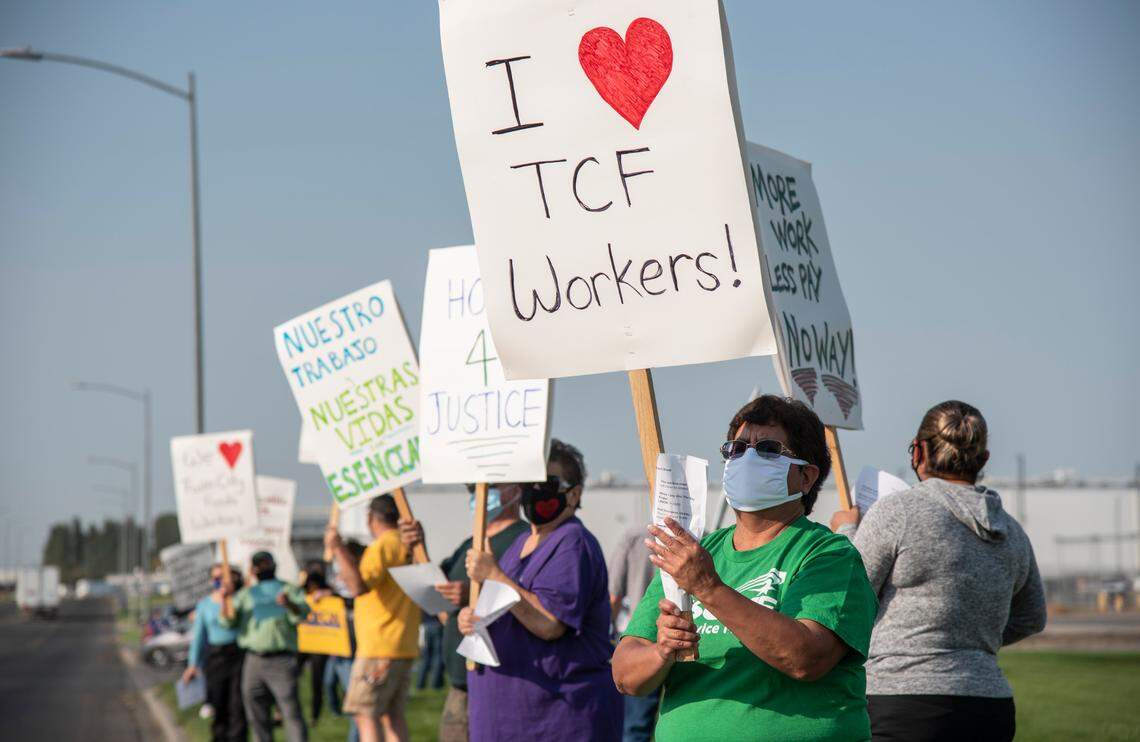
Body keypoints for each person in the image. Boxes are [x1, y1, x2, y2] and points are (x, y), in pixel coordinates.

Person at [612, 395, 878, 741]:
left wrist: (709, 588)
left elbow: (805, 658)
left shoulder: (829, 555)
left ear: (806, 477)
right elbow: (624, 675)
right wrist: (661, 651)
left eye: (767, 448)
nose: (746, 457)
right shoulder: (695, 553)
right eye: (736, 449)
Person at [829, 400, 1047, 741]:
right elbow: (1033, 617)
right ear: (983, 459)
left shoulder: (899, 511)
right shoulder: (1013, 531)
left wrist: (845, 532)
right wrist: (971, 636)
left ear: (918, 452)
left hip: (903, 702)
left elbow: (847, 593)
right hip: (991, 705)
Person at [459, 439, 623, 742]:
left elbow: (549, 623)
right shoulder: (521, 544)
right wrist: (473, 618)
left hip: (556, 719)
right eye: (528, 482)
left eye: (547, 482)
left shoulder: (572, 542)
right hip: (508, 716)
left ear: (573, 494)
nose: (534, 491)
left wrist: (494, 574)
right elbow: (505, 606)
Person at [399, 482, 530, 742]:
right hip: (461, 682)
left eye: (490, 486)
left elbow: (526, 599)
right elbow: (440, 597)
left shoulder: (525, 539)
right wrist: (416, 547)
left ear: (516, 490)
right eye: (472, 489)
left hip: (501, 681)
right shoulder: (470, 544)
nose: (478, 494)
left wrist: (475, 596)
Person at [324, 495, 420, 742]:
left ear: (371, 518)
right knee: (392, 716)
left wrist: (337, 548)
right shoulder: (407, 544)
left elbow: (358, 586)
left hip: (379, 645)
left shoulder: (383, 546)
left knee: (365, 714)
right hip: (402, 643)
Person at [221, 551, 311, 742]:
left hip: (281, 660)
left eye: (266, 564)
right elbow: (227, 622)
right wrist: (225, 598)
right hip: (253, 660)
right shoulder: (245, 595)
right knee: (256, 716)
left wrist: (289, 605)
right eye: (259, 565)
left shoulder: (288, 589)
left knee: (290, 713)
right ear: (253, 570)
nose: (263, 568)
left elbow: (303, 613)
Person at [182, 564, 246, 742]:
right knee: (219, 705)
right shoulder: (205, 605)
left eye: (223, 577)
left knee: (237, 706)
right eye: (216, 578)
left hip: (239, 656)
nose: (220, 581)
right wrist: (192, 665)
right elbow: (199, 638)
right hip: (216, 659)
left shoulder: (240, 599)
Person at [608, 527, 659, 742]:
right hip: (689, 639)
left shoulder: (634, 538)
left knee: (635, 728)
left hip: (641, 641)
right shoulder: (705, 538)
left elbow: (614, 596)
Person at [300, 561, 332, 725]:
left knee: (317, 681)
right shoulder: (301, 594)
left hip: (319, 645)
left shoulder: (329, 593)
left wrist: (328, 594)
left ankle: (315, 714)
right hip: (303, 643)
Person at [414, 612, 445, 691]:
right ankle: (436, 684)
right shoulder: (439, 600)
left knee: (425, 658)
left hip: (425, 627)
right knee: (438, 656)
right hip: (437, 626)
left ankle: (420, 685)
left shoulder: (425, 600)